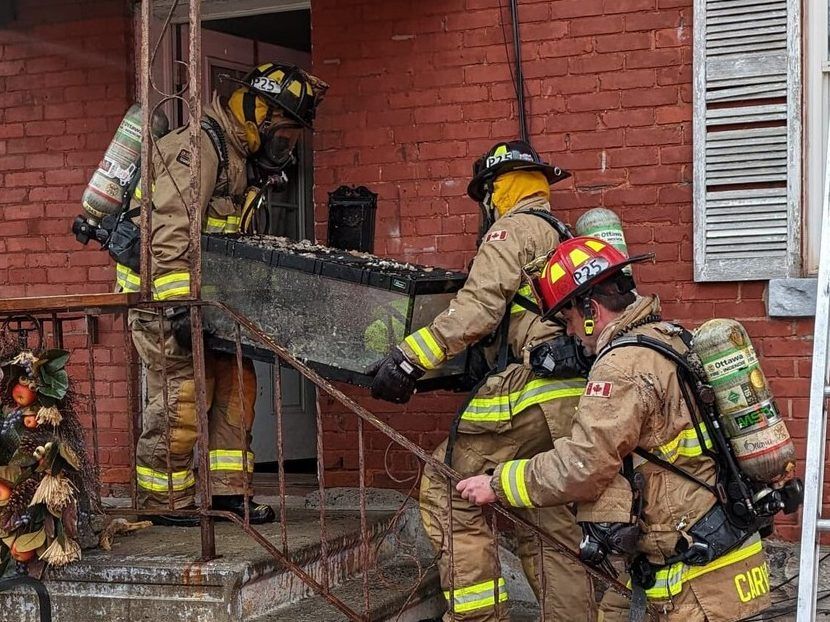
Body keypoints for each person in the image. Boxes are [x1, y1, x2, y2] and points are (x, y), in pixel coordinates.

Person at [457, 236, 772, 622]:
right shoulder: (669, 337)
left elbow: (582, 467)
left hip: (697, 580)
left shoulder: (620, 366)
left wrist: (498, 483)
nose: (571, 334)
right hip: (711, 554)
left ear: (590, 308)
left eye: (569, 320)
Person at [369, 141, 596, 621]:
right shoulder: (564, 234)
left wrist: (410, 358)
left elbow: (478, 309)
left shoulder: (511, 230)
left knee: (446, 491)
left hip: (530, 391)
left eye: (488, 195)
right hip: (569, 399)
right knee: (547, 518)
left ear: (498, 189)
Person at [119, 63, 327, 526]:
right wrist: (174, 305)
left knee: (237, 385)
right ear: (257, 114)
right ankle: (164, 499)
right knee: (185, 395)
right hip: (168, 303)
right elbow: (170, 232)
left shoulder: (239, 160)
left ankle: (227, 493)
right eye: (284, 135)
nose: (285, 149)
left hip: (212, 305)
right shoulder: (200, 148)